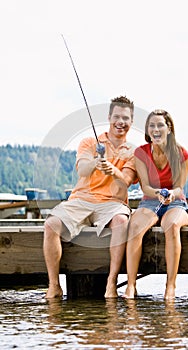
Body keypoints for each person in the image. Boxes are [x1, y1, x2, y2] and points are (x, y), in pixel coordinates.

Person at [43, 96, 137, 299]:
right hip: (81, 200)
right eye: (117, 117)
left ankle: (111, 283)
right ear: (109, 117)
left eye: (126, 118)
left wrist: (114, 171)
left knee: (121, 221)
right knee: (50, 224)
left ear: (132, 121)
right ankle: (54, 286)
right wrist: (97, 161)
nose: (121, 122)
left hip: (113, 204)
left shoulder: (133, 152)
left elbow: (126, 182)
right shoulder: (89, 142)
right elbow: (82, 171)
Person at [124, 109, 188, 300]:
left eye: (160, 125)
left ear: (169, 128)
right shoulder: (141, 153)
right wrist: (158, 194)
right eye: (151, 125)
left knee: (171, 225)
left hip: (175, 202)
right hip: (150, 201)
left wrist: (170, 194)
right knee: (135, 226)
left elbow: (179, 187)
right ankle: (130, 285)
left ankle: (170, 287)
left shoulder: (181, 153)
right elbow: (145, 187)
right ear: (147, 130)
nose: (156, 129)